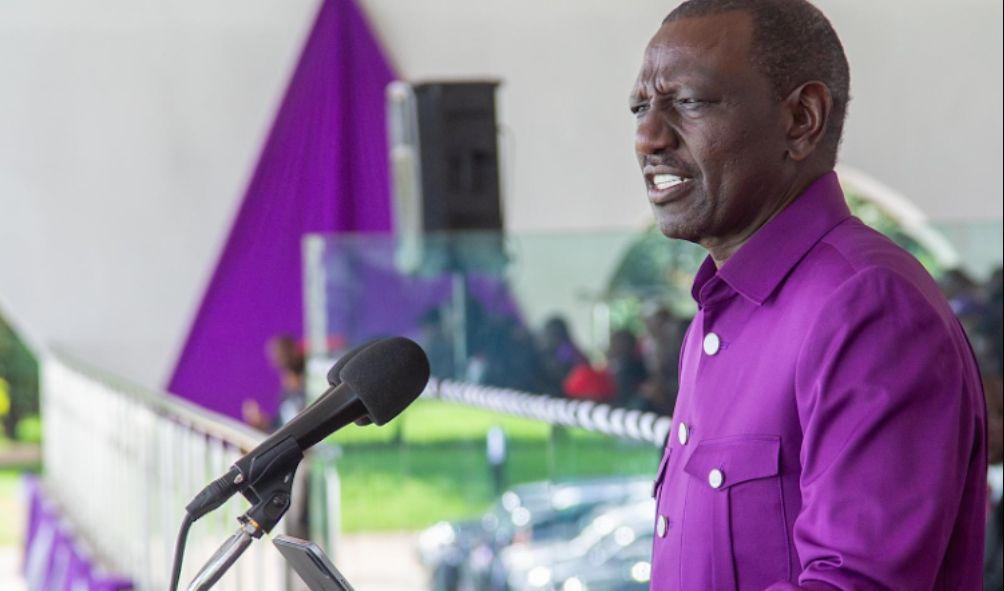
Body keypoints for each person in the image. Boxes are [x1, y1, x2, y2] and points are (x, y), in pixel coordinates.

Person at [632, 1, 987, 589]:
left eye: (688, 102)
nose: (648, 137)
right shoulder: (717, 314)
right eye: (641, 107)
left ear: (801, 119)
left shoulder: (868, 306)